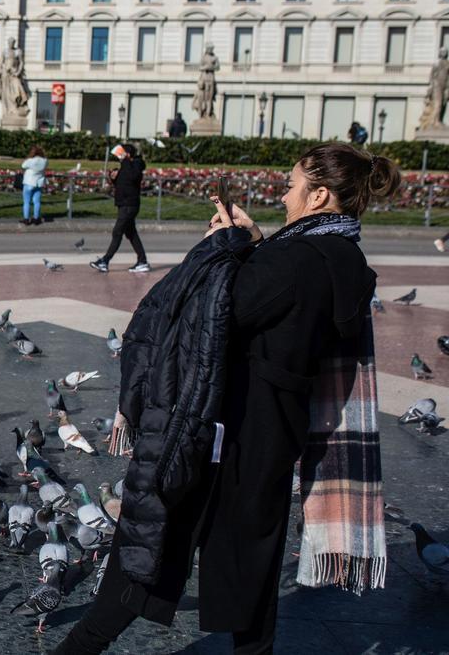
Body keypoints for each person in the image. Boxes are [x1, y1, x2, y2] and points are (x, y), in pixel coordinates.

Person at [57, 142, 396, 654]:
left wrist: (226, 246)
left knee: (153, 540)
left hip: (226, 431)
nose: (283, 197)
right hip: (272, 435)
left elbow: (224, 311)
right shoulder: (342, 253)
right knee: (250, 567)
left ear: (320, 193)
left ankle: (80, 646)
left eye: (290, 186)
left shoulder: (300, 258)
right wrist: (256, 242)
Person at [91, 143, 149, 273]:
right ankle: (142, 261)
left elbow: (133, 177)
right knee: (131, 233)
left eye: (121, 155)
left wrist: (126, 161)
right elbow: (124, 183)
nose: (119, 158)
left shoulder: (136, 164)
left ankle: (105, 261)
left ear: (127, 154)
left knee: (117, 232)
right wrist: (113, 178)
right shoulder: (127, 165)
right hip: (124, 203)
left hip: (129, 204)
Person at [20, 145, 47, 226]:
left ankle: (26, 219)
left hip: (29, 182)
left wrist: (28, 158)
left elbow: (23, 165)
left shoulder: (31, 160)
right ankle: (36, 218)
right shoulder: (45, 161)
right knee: (37, 202)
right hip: (39, 183)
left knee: (26, 202)